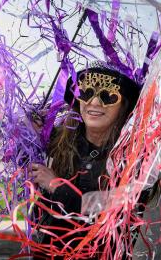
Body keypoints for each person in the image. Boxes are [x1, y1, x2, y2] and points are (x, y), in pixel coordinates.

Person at [30, 62, 145, 259]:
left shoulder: (133, 156)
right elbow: (20, 153)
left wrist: (57, 186)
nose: (94, 102)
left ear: (124, 104)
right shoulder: (58, 140)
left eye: (108, 96)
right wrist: (29, 129)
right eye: (86, 92)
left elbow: (116, 208)